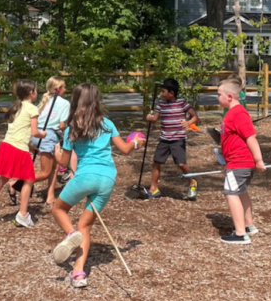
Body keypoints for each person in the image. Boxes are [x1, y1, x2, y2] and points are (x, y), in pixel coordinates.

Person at [50, 83, 145, 288]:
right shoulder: (107, 124)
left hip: (85, 177)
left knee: (58, 209)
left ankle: (71, 234)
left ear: (75, 101)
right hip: (107, 179)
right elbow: (126, 149)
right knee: (85, 225)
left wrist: (56, 152)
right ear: (96, 100)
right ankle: (78, 273)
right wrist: (137, 141)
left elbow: (64, 164)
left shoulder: (71, 128)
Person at [0, 79, 46, 226]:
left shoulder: (16, 107)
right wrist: (43, 134)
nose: (37, 93)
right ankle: (23, 214)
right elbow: (35, 132)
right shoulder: (32, 109)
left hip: (6, 146)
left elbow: (19, 131)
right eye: (36, 90)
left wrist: (30, 147)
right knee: (28, 180)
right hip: (18, 150)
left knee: (3, 177)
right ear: (31, 92)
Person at [217, 77, 265, 245]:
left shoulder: (238, 113)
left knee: (231, 193)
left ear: (229, 96)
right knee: (241, 192)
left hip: (240, 163)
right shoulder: (231, 113)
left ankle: (240, 234)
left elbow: (251, 138)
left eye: (219, 94)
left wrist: (258, 160)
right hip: (235, 162)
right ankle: (249, 225)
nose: (218, 98)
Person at [146, 78, 199, 199]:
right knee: (156, 163)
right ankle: (153, 188)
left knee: (181, 164)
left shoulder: (182, 102)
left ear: (171, 93)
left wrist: (189, 122)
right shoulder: (161, 104)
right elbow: (155, 119)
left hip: (178, 139)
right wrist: (150, 118)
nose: (161, 94)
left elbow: (195, 116)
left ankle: (191, 183)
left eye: (163, 91)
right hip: (164, 138)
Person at [30, 76, 70, 205]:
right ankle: (16, 183)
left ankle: (50, 196)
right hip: (50, 136)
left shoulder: (44, 101)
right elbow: (62, 125)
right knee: (45, 172)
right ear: (58, 89)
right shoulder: (64, 103)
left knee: (55, 166)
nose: (66, 89)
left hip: (38, 134)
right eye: (64, 86)